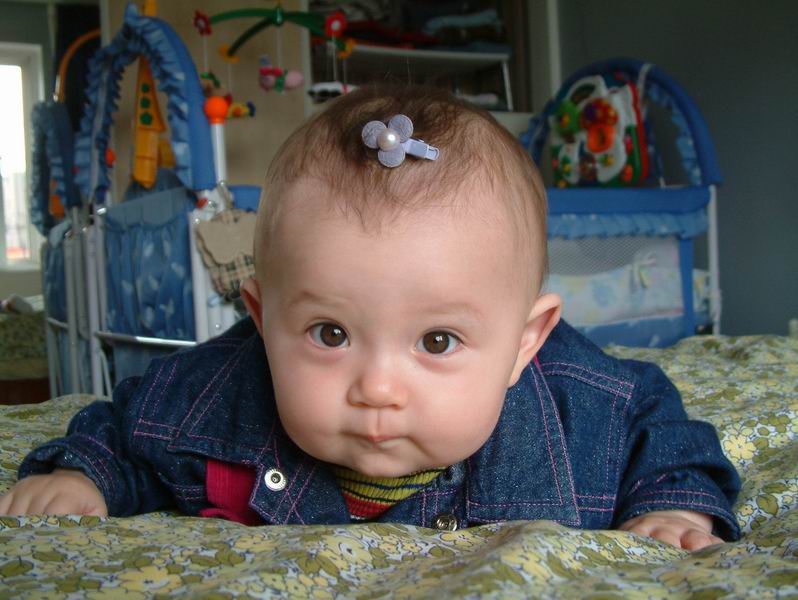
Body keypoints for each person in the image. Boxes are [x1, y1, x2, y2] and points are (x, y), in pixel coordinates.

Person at [0, 84, 740, 549]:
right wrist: (86, 477)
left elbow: (661, 429)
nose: (377, 388)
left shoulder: (587, 408)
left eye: (438, 340)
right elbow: (129, 429)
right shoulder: (216, 394)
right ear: (261, 318)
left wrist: (674, 509)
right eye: (331, 334)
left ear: (526, 343)